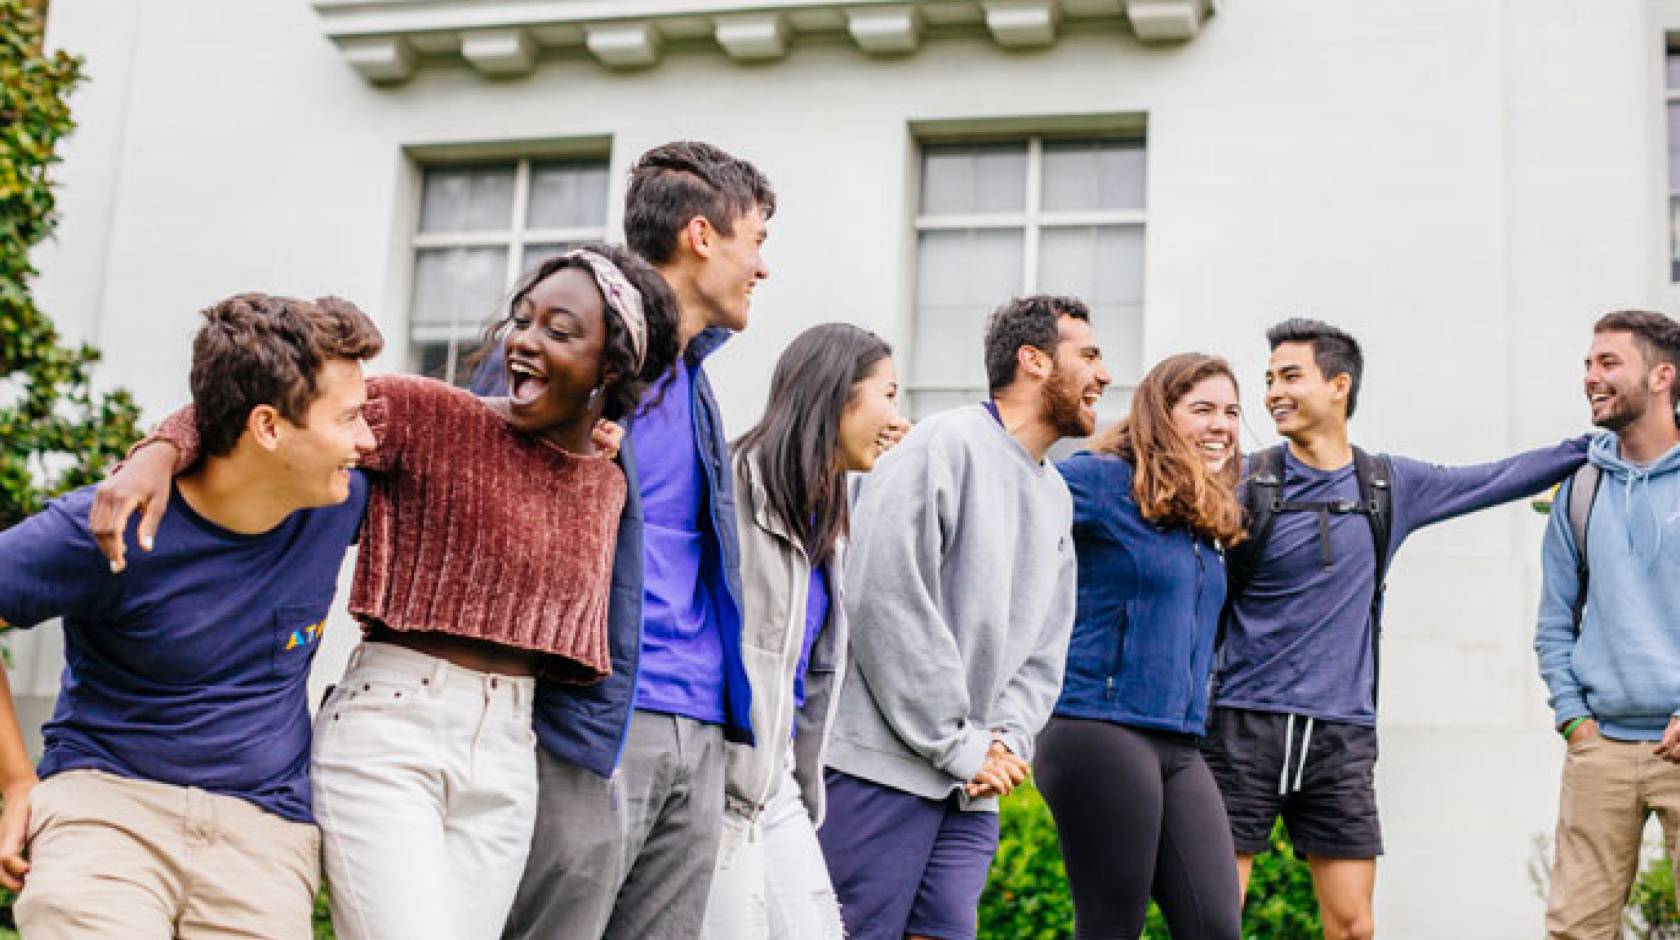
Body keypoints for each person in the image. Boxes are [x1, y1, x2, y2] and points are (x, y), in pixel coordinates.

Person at [94, 245, 679, 940]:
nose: (523, 341)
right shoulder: (430, 416)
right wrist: (155, 451)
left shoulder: (608, 480)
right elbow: (270, 406)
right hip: (392, 735)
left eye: (558, 330)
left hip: (507, 759)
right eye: (522, 320)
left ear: (612, 366)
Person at [0, 293, 379, 939]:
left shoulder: (338, 495)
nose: (367, 440)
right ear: (266, 428)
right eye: (348, 419)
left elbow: (472, 431)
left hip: (264, 831)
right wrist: (15, 783)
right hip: (106, 809)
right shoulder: (113, 522)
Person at [1202, 317, 1589, 940]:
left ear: (1338, 385)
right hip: (1243, 723)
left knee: (1353, 925)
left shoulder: (1386, 485)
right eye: (1269, 377)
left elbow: (1490, 479)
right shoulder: (1247, 479)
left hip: (1341, 736)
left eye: (1290, 376)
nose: (1272, 390)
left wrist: (1590, 448)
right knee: (1214, 918)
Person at [482, 141, 778, 940]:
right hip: (594, 725)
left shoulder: (697, 381)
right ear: (701, 236)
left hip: (701, 728)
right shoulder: (561, 354)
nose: (763, 268)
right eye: (757, 240)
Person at [817, 294, 1110, 940]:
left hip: (970, 787)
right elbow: (884, 600)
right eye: (1087, 355)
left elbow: (1045, 644)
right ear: (1033, 361)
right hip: (882, 771)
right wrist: (959, 743)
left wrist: (1005, 739)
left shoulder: (1055, 493)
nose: (1105, 374)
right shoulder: (939, 446)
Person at [700, 323, 907, 939]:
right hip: (718, 785)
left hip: (778, 780)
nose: (897, 414)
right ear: (840, 394)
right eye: (888, 394)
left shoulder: (824, 514)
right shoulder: (732, 488)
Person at [1037, 352, 1247, 939]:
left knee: (1215, 925)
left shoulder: (1204, 512)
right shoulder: (1100, 481)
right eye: (1202, 409)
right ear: (1161, 412)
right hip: (1098, 727)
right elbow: (1011, 492)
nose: (1221, 425)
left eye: (1231, 412)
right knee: (1111, 926)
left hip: (1179, 740)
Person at [1536, 310, 1680, 940]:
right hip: (1602, 749)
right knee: (1576, 930)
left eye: (1608, 363)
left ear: (1662, 377)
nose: (1591, 378)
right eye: (1588, 365)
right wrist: (1575, 720)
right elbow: (1554, 622)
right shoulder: (1580, 490)